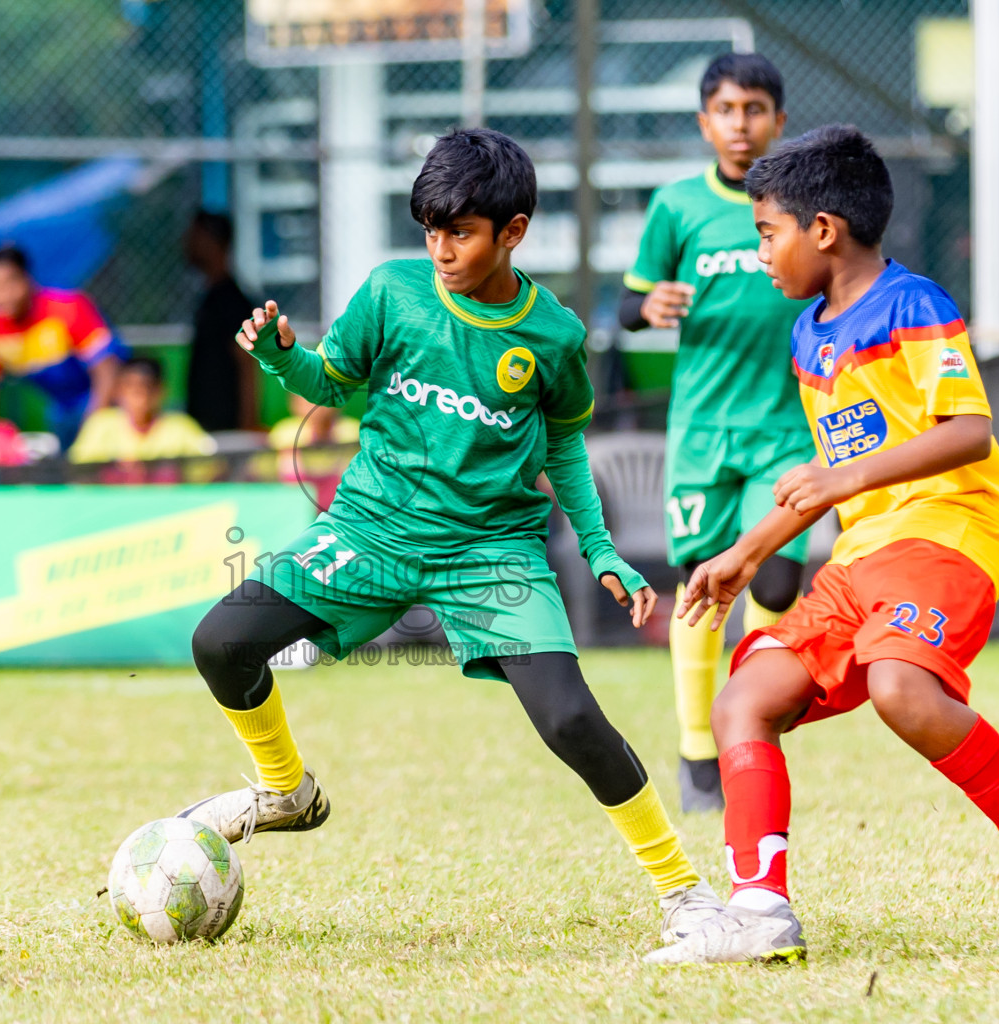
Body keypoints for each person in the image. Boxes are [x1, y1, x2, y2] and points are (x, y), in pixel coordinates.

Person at [178, 129, 725, 946]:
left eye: (460, 233)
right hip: (372, 526)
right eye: (430, 230)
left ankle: (686, 895)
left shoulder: (555, 336)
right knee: (220, 641)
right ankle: (284, 791)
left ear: (514, 231)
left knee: (572, 720)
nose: (440, 249)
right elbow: (334, 382)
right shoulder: (393, 293)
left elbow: (565, 443)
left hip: (492, 552)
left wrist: (602, 547)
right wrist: (285, 359)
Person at [645, 126, 999, 967]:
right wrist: (746, 555)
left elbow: (968, 433)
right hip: (864, 553)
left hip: (951, 526)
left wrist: (842, 478)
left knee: (904, 687)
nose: (760, 253)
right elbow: (834, 473)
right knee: (744, 699)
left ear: (822, 229)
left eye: (767, 233)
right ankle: (760, 910)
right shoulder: (807, 335)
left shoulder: (914, 305)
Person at [618, 53, 815, 813]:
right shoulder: (676, 207)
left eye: (756, 108)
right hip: (702, 429)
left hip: (785, 426)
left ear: (779, 121)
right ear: (706, 123)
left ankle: (750, 719)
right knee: (703, 584)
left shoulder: (801, 205)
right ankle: (701, 752)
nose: (742, 124)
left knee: (774, 581)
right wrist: (647, 308)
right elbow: (628, 307)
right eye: (727, 110)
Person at [0, 245, 126, 449]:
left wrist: (94, 430)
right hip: (62, 406)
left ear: (27, 280)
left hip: (112, 400)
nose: (2, 295)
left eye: (9, 283)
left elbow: (107, 371)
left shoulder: (66, 308)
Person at [184, 210, 259, 431]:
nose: (187, 244)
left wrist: (247, 424)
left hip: (227, 429)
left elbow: (247, 364)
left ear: (212, 240)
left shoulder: (233, 301)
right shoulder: (209, 297)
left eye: (195, 236)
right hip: (202, 426)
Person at [68, 355, 215, 465]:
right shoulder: (100, 425)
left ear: (160, 391)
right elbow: (79, 472)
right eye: (130, 386)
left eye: (145, 386)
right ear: (118, 390)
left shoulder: (181, 428)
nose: (138, 395)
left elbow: (210, 471)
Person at [267, 393, 359, 512]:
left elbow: (356, 478)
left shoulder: (353, 430)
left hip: (343, 509)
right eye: (306, 400)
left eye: (320, 400)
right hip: (297, 509)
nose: (314, 405)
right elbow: (269, 474)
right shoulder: (285, 432)